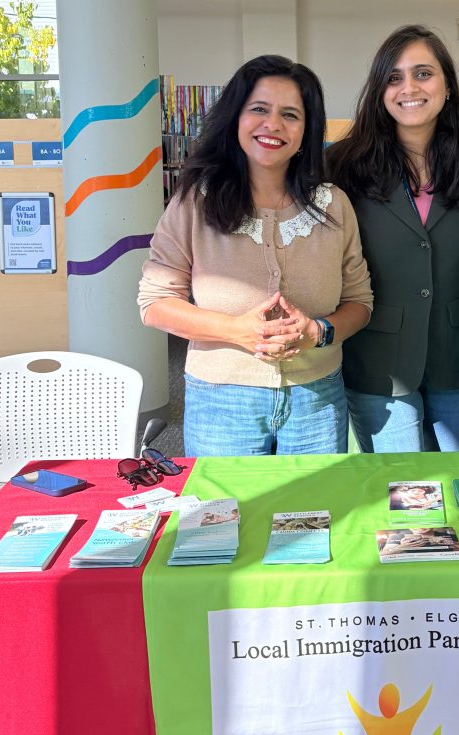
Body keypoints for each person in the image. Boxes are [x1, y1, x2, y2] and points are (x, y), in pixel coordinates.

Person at [138, 56, 373, 456]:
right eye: (259, 109)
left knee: (315, 515)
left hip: (316, 398)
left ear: (306, 130)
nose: (273, 125)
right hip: (221, 400)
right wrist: (238, 331)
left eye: (290, 115)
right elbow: (154, 304)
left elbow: (360, 303)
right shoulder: (195, 201)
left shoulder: (334, 205)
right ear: (236, 118)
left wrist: (317, 333)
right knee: (224, 516)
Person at [327, 26, 459, 453]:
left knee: (450, 479)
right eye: (394, 78)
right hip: (376, 356)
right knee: (404, 498)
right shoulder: (341, 164)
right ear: (380, 90)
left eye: (423, 74)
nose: (408, 88)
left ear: (448, 86)